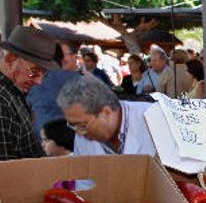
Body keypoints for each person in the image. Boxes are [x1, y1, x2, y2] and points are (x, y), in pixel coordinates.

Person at [58, 74, 156, 156]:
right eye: (72, 125)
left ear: (106, 112)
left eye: (83, 126)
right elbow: (83, 176)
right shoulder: (82, 133)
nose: (79, 133)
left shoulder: (155, 118)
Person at [0, 25, 58, 160]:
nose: (38, 81)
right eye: (34, 72)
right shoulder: (2, 100)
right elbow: (5, 171)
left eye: (44, 74)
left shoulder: (13, 91)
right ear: (10, 59)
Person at [28, 40, 81, 136]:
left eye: (66, 54)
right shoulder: (80, 80)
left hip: (41, 140)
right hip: (66, 144)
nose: (64, 59)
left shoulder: (36, 79)